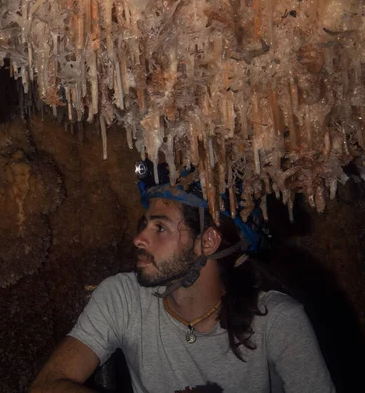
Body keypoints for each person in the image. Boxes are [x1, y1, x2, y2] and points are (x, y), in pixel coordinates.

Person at [30, 162, 335, 393]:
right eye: (144, 224)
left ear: (208, 242)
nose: (138, 238)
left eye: (159, 227)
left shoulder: (277, 321)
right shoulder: (122, 298)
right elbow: (47, 385)